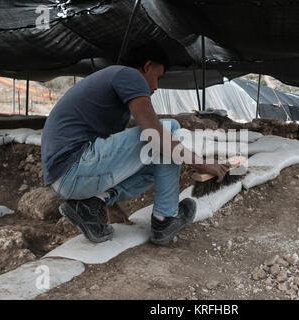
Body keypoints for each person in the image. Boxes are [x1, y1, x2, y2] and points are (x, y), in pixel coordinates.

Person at [41, 42, 230, 245]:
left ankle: (91, 204)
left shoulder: (113, 88)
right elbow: (155, 134)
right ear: (147, 66)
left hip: (67, 179)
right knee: (169, 129)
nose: (156, 87)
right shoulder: (129, 75)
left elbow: (116, 158)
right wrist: (203, 164)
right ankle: (165, 220)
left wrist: (110, 206)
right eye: (157, 77)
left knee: (154, 159)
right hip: (75, 167)